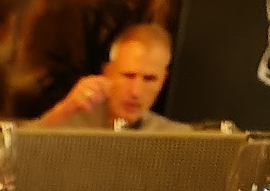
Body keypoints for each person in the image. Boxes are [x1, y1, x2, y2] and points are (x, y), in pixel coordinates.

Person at [36, 23, 188, 132]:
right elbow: (24, 148)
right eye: (128, 76)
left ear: (162, 81)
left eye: (149, 79)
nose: (135, 92)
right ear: (107, 73)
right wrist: (64, 110)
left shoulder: (174, 138)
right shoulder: (71, 122)